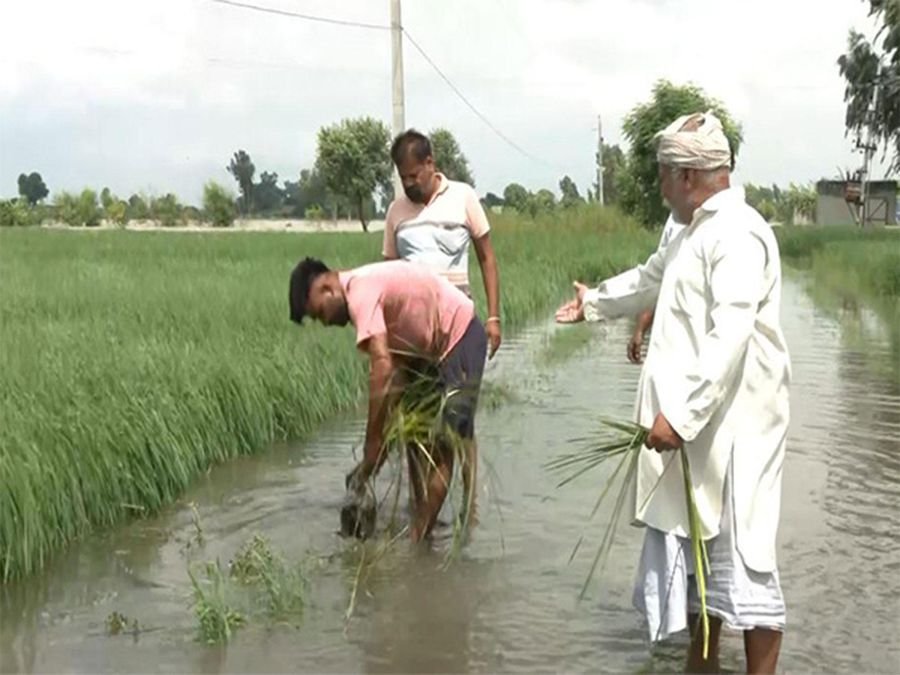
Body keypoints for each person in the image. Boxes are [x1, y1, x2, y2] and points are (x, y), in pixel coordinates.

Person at [555, 111, 791, 674]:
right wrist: (593, 303)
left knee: (749, 574)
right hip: (699, 434)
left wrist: (680, 417)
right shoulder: (693, 233)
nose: (660, 187)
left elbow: (729, 335)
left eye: (663, 175)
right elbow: (647, 278)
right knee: (703, 577)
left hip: (734, 436)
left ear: (686, 176)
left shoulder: (736, 234)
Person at [288, 257, 487, 543]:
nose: (327, 322)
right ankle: (424, 527)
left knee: (445, 444)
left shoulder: (361, 293)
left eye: (321, 313)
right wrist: (380, 444)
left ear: (327, 285)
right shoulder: (366, 291)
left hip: (461, 335)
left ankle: (421, 544)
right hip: (427, 352)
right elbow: (396, 374)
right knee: (415, 435)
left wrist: (372, 442)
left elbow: (381, 366)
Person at [384, 129, 502, 519]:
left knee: (459, 422)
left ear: (430, 164)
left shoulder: (464, 198)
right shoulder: (396, 213)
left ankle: (470, 506)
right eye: (402, 178)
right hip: (414, 338)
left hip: (458, 331)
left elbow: (487, 257)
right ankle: (421, 502)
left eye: (413, 175)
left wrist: (494, 317)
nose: (408, 184)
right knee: (415, 424)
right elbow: (389, 275)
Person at [627, 214, 685, 364]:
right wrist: (640, 330)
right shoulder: (675, 220)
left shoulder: (737, 224)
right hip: (672, 338)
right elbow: (656, 280)